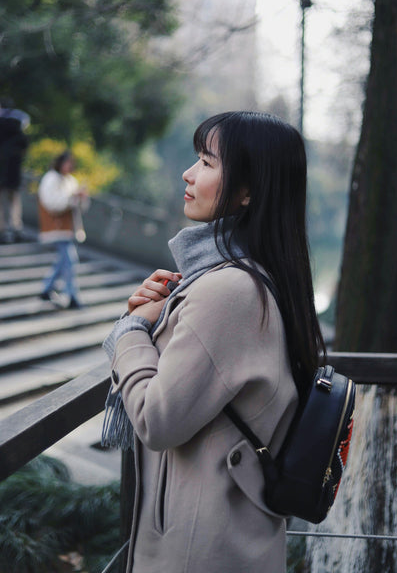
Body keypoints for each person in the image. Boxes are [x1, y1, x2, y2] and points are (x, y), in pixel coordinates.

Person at [101, 111, 326, 572]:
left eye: (207, 162)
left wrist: (131, 331)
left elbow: (157, 419)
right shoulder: (247, 277)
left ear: (248, 191)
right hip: (223, 535)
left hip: (200, 549)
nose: (188, 173)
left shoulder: (230, 291)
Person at [38, 150, 88, 309]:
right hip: (55, 227)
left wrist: (80, 197)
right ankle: (72, 296)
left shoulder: (70, 180)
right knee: (70, 260)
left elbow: (79, 207)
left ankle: (46, 288)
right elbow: (51, 203)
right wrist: (72, 197)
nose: (69, 166)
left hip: (69, 228)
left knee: (63, 261)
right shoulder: (50, 178)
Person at [0, 97, 29, 243]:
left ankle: (1, 230)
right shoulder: (18, 125)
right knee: (14, 200)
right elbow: (24, 146)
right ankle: (16, 228)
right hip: (14, 169)